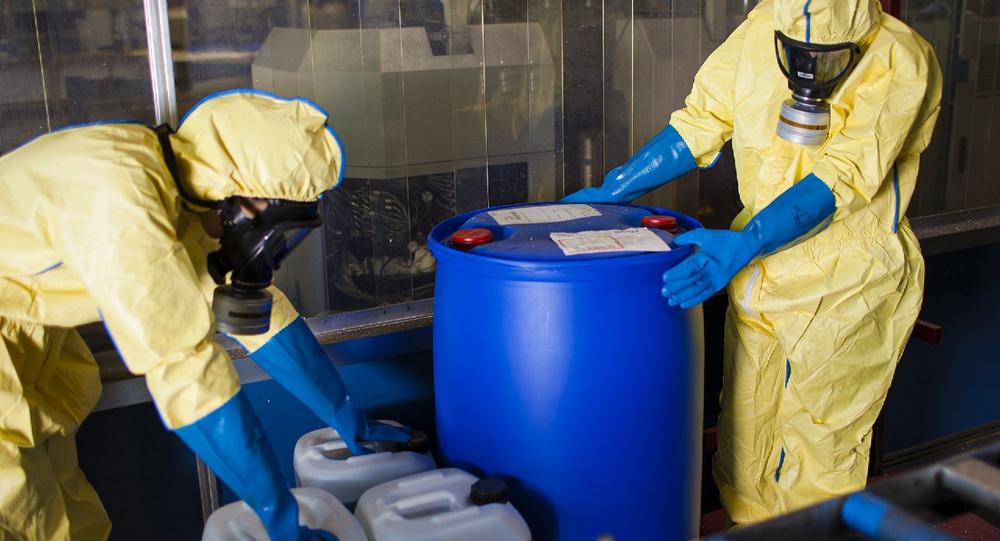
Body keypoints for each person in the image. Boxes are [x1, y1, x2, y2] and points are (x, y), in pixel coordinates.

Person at [564, 0, 942, 524]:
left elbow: (843, 176)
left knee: (819, 451)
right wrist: (614, 190)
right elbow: (702, 121)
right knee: (745, 437)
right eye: (796, 54)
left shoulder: (901, 58)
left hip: (847, 281)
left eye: (827, 57)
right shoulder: (765, 24)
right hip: (760, 272)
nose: (808, 70)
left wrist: (748, 241)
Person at [0, 89, 411, 540]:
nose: (265, 245)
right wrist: (279, 517)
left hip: (30, 336)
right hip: (8, 340)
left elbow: (258, 317)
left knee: (66, 511)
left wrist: (347, 417)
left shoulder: (176, 188)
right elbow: (186, 372)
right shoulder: (123, 204)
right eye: (266, 222)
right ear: (234, 192)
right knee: (23, 514)